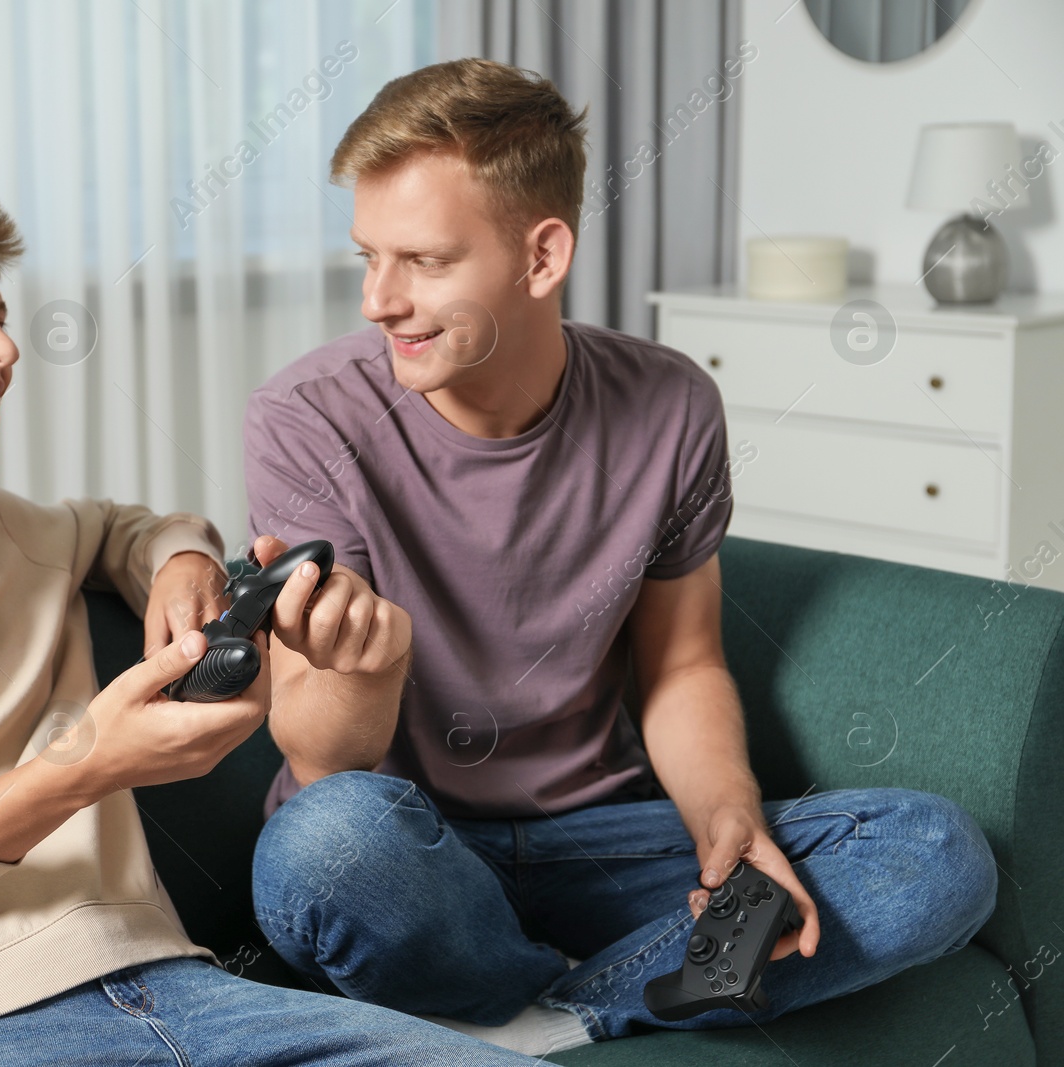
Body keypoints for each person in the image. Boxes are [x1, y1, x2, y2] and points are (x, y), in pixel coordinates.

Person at [0, 169, 561, 1067]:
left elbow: (139, 529)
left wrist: (186, 562)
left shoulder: (21, 532)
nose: (4, 347)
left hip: (182, 987)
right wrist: (86, 766)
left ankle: (592, 1003)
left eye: (0, 316)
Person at [244, 59, 999, 1057]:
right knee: (323, 845)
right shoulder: (305, 418)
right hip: (408, 850)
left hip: (598, 843)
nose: (380, 300)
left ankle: (548, 1015)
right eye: (365, 258)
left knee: (937, 853)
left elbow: (682, 661)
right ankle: (600, 986)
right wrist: (364, 668)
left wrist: (728, 820)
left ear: (541, 254)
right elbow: (320, 759)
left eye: (422, 260)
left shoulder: (671, 404)